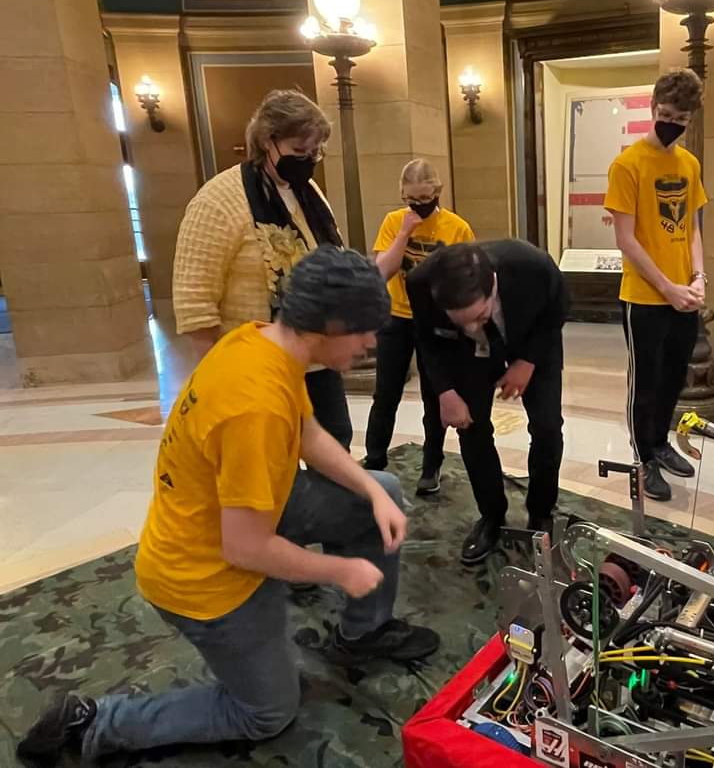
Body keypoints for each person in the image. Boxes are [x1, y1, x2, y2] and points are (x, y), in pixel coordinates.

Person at [17, 247, 439, 767]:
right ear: (328, 324)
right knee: (267, 712)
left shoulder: (260, 341)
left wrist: (372, 492)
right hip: (206, 574)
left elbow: (305, 431)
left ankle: (362, 632)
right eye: (363, 331)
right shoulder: (253, 404)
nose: (372, 342)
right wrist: (339, 569)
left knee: (383, 489)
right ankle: (97, 722)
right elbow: (245, 547)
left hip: (248, 512)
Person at [172, 89, 353, 450]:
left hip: (316, 359)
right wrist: (218, 379)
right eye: (299, 151)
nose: (308, 160)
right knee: (269, 459)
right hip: (252, 366)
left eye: (315, 151)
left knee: (335, 444)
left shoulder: (309, 190)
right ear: (267, 141)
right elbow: (194, 300)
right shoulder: (218, 201)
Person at [407, 241, 568, 565]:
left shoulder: (532, 266)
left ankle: (540, 513)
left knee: (548, 427)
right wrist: (445, 392)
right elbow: (427, 340)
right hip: (466, 356)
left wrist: (527, 362)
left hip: (531, 343)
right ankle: (491, 517)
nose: (470, 326)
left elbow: (557, 310)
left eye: (478, 316)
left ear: (493, 284)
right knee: (472, 430)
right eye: (459, 320)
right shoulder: (419, 282)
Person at [604, 68, 708, 502]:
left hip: (684, 294)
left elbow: (693, 228)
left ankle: (661, 443)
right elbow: (625, 238)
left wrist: (699, 277)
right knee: (644, 383)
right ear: (652, 108)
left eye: (680, 119)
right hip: (645, 296)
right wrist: (667, 287)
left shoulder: (689, 164)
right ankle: (643, 456)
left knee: (672, 379)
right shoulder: (628, 164)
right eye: (665, 114)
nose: (672, 124)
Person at [364, 159, 475, 494]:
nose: (419, 206)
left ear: (438, 192)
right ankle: (374, 460)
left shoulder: (457, 227)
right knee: (386, 392)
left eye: (426, 199)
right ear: (403, 197)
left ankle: (432, 465)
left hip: (436, 322)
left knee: (433, 396)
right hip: (396, 316)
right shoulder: (393, 222)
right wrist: (404, 232)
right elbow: (381, 270)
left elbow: (467, 279)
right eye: (412, 201)